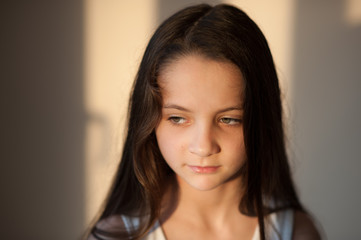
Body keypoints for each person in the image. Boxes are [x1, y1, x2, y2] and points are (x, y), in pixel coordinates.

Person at [86, 4, 321, 240]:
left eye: (229, 119)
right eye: (177, 118)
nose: (203, 146)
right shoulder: (116, 236)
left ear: (261, 118)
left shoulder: (295, 233)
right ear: (148, 120)